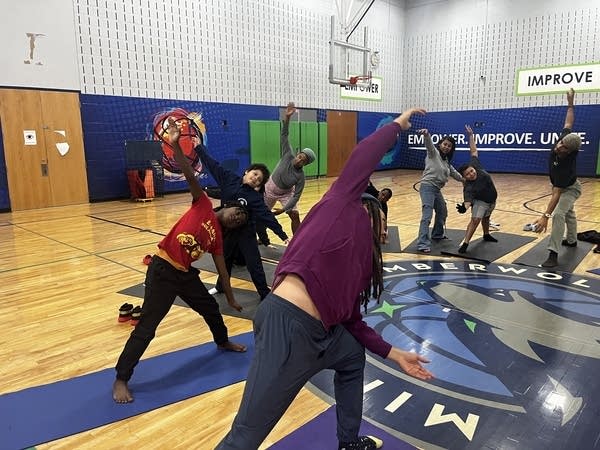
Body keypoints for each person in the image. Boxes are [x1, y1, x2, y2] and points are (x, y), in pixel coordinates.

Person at [216, 108, 434, 450]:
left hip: (322, 336)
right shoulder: (341, 204)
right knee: (246, 436)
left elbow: (352, 321)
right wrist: (396, 126)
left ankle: (348, 443)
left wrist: (394, 353)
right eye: (382, 218)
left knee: (352, 356)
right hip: (287, 327)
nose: (385, 229)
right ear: (370, 207)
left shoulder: (363, 264)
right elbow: (363, 156)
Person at [113, 117, 249, 404]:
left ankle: (222, 340)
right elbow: (189, 174)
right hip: (162, 270)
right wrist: (176, 145)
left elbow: (223, 272)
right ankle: (122, 377)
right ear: (226, 207)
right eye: (237, 212)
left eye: (241, 221)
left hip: (185, 276)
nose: (238, 217)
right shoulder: (202, 204)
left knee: (211, 308)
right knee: (148, 326)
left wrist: (233, 298)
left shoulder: (217, 239)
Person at [193, 135, 290, 300]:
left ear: (259, 185)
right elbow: (213, 165)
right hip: (227, 232)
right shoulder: (229, 179)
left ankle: (264, 294)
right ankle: (220, 286)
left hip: (246, 234)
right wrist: (198, 148)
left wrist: (282, 235)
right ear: (247, 171)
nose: (255, 178)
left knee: (254, 265)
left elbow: (267, 217)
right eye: (254, 174)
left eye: (258, 179)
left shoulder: (254, 197)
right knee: (225, 261)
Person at [532, 88, 582, 268]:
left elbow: (557, 193)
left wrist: (545, 216)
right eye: (561, 142)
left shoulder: (565, 165)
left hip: (571, 188)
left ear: (570, 152)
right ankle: (572, 240)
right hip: (563, 185)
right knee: (569, 212)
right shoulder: (564, 139)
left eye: (563, 147)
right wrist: (570, 103)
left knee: (559, 214)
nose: (559, 146)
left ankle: (553, 253)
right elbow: (569, 121)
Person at [255, 102, 316, 246]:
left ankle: (298, 242)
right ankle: (263, 239)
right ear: (298, 153)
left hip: (285, 194)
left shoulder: (300, 177)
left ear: (305, 164)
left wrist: (284, 209)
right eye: (301, 155)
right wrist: (288, 118)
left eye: (304, 160)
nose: (300, 159)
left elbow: (296, 196)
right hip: (269, 188)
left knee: (294, 214)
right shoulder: (288, 154)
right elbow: (284, 134)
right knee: (261, 214)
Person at [415, 129, 463, 253]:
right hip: (427, 187)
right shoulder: (433, 153)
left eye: (449, 146)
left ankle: (437, 234)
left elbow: (454, 173)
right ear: (440, 144)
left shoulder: (446, 161)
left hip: (436, 189)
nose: (446, 147)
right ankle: (422, 243)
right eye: (445, 144)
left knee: (442, 211)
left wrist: (464, 180)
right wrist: (426, 135)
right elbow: (429, 144)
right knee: (427, 216)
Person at [456, 124, 499, 253]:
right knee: (475, 220)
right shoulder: (468, 186)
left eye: (471, 171)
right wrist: (464, 207)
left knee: (486, 218)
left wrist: (470, 136)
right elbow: (468, 201)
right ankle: (465, 243)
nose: (471, 174)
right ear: (465, 177)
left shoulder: (476, 165)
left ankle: (486, 234)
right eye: (468, 174)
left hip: (492, 199)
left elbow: (473, 151)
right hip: (481, 201)